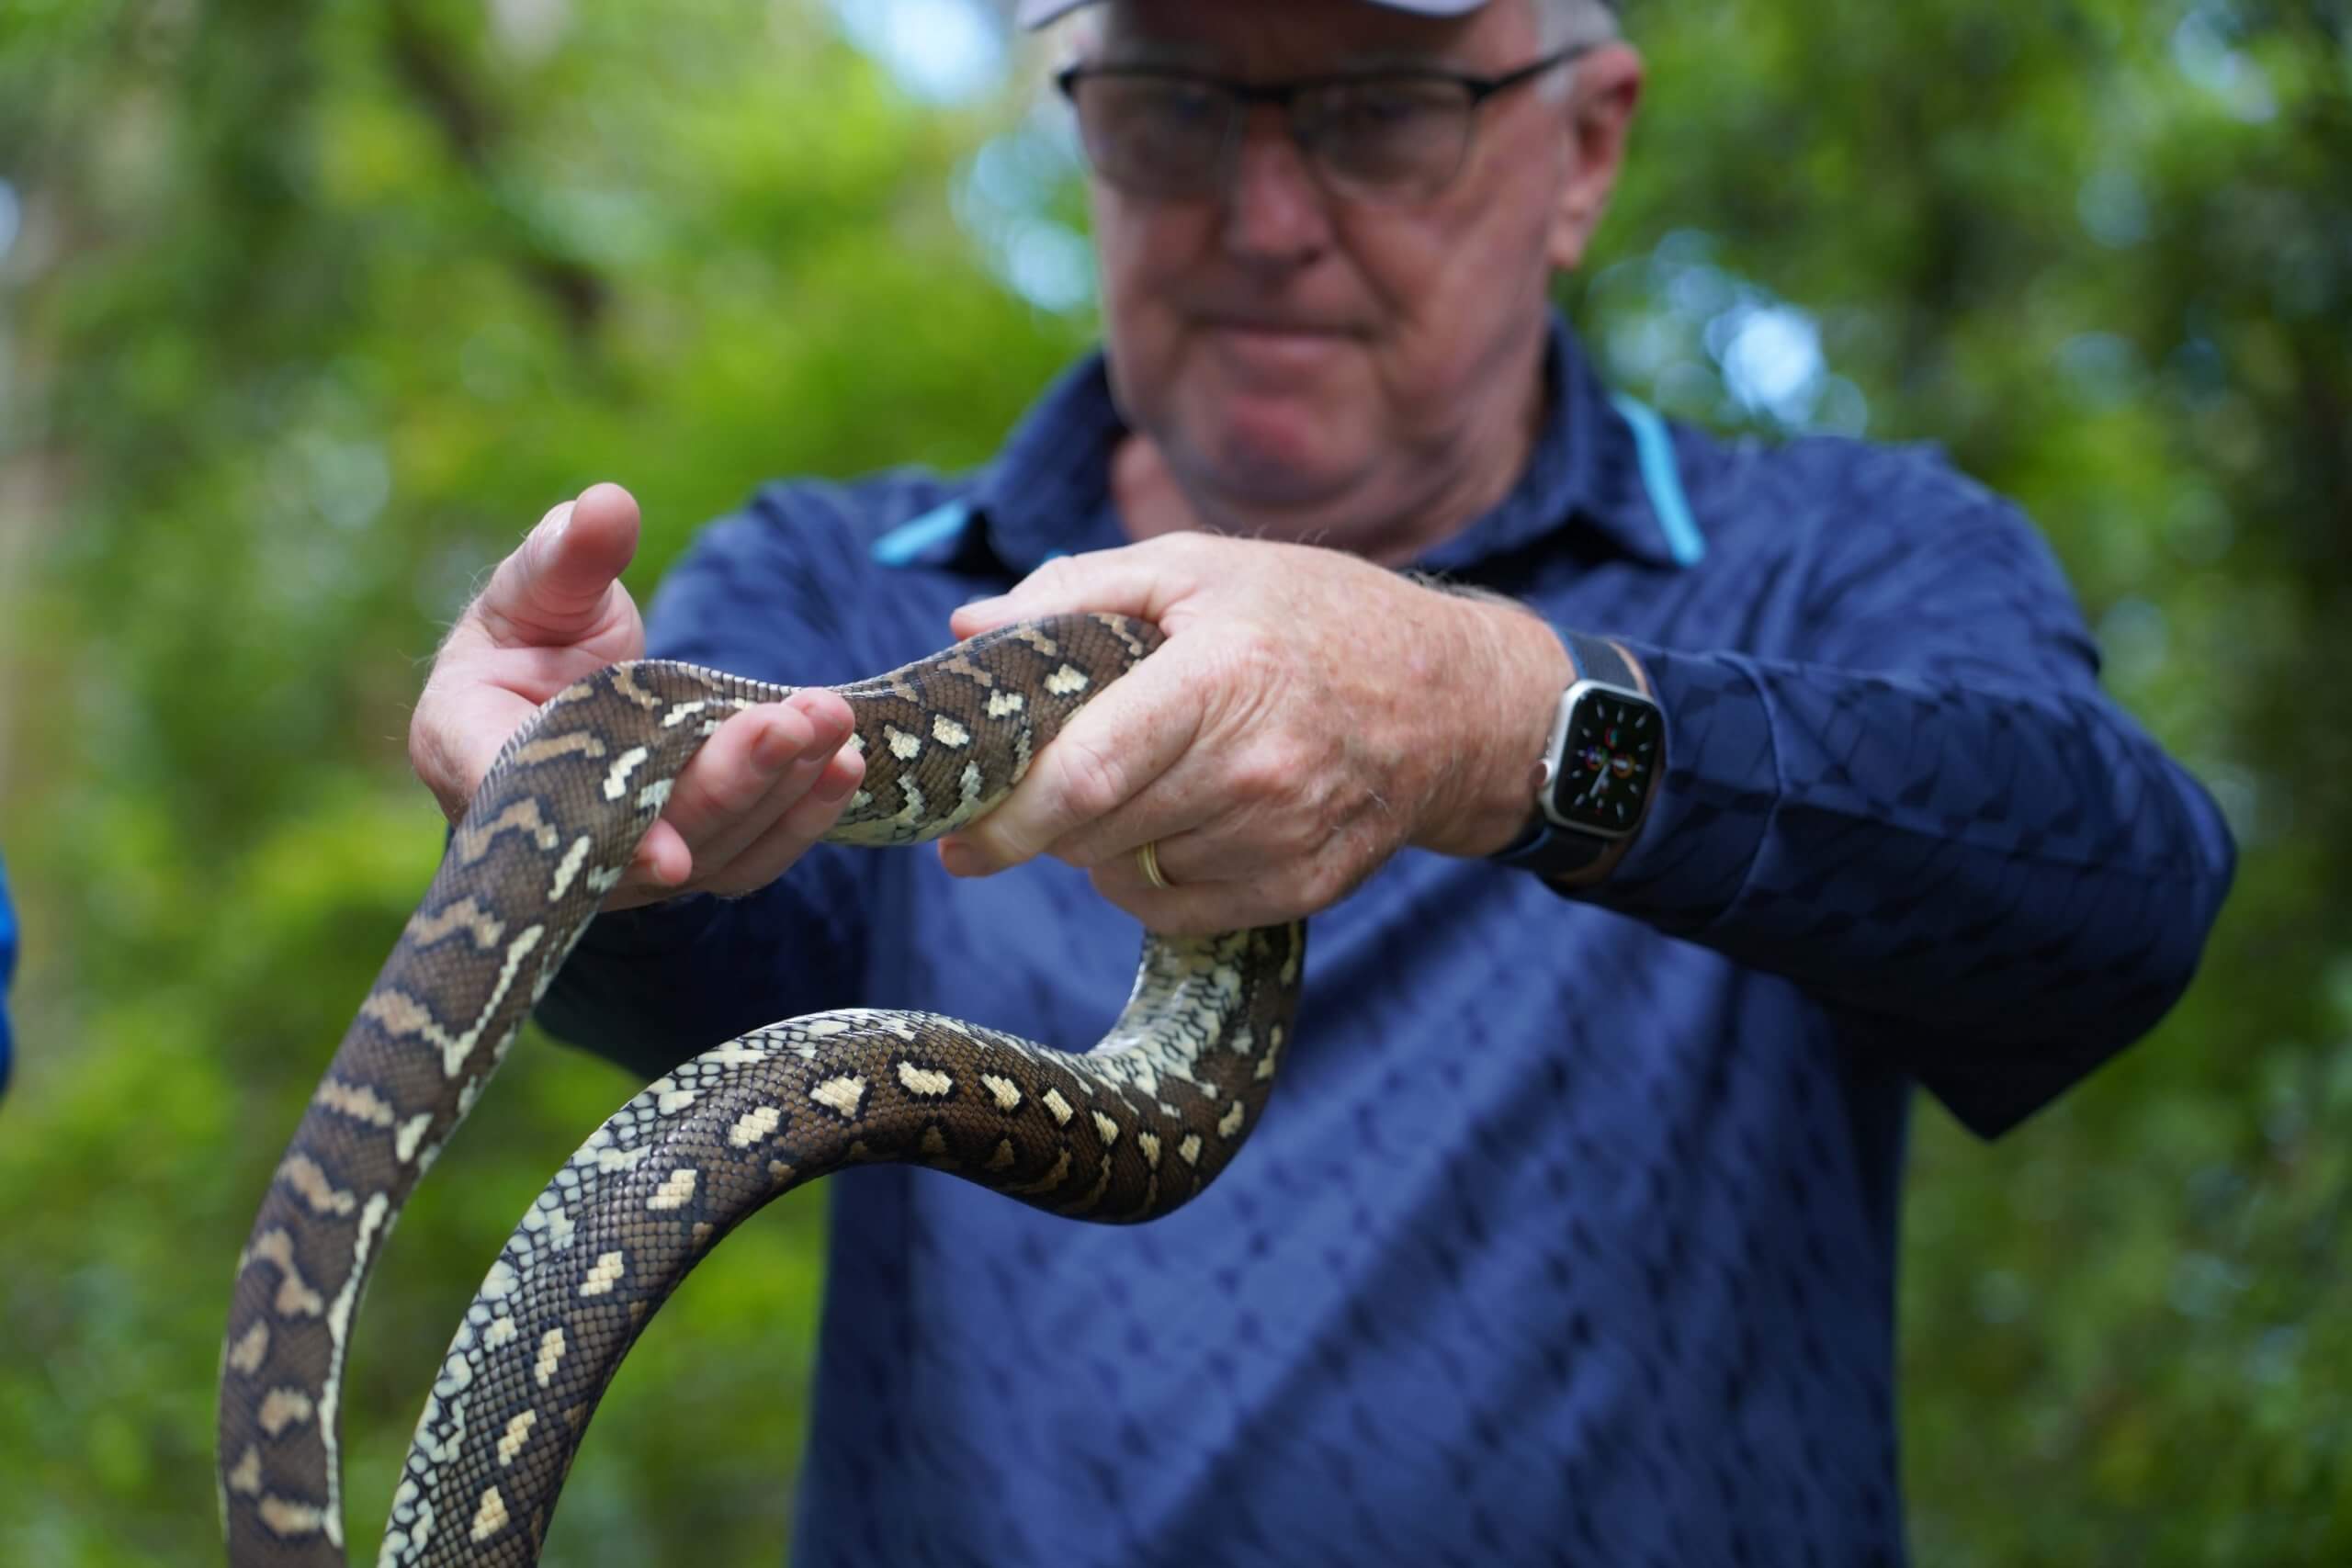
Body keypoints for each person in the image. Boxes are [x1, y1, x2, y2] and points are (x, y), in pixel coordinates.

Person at [410, 0, 2235, 1561]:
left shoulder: (1831, 564)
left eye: (1378, 114)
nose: (1263, 217)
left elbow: (2112, 900)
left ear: (1584, 145)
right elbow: (696, 985)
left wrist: (1489, 714)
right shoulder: (851, 588)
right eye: (1175, 110)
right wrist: (568, 828)